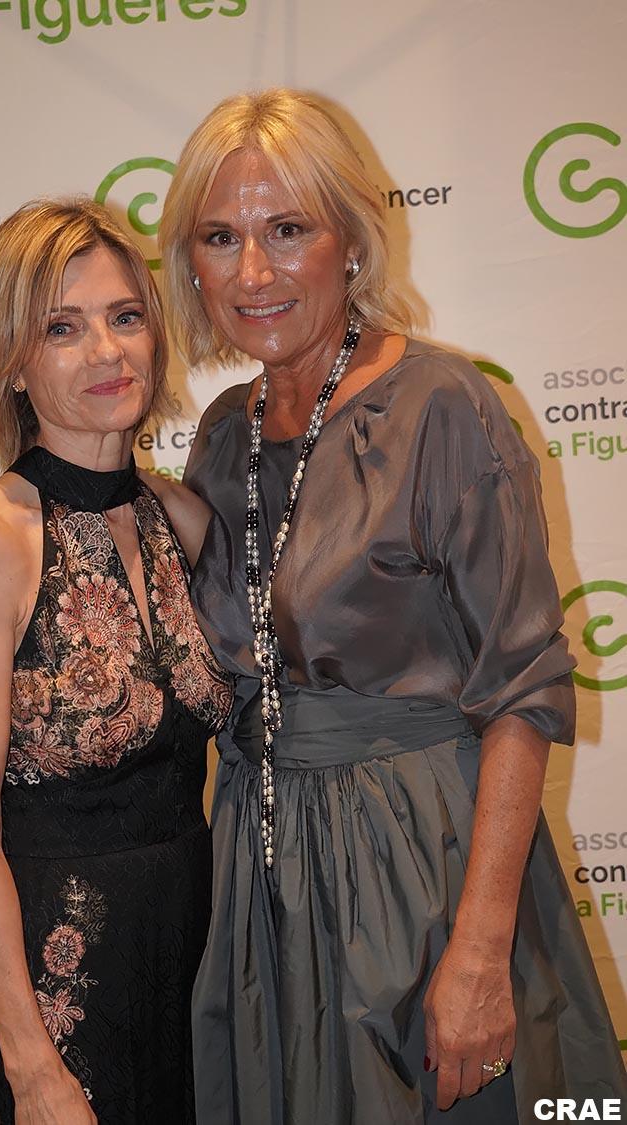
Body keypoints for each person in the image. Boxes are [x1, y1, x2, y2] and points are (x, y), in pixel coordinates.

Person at [159, 89, 627, 1124]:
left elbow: (523, 692)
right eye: (220, 237)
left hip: (423, 878)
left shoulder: (442, 407)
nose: (253, 271)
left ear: (351, 242)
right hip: (266, 884)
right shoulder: (223, 435)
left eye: (288, 229)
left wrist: (481, 949)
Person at [0, 198, 232, 1125]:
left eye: (125, 316)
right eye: (63, 327)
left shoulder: (183, 518)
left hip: (196, 971)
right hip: (55, 996)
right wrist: (33, 1066)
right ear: (14, 361)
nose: (106, 350)